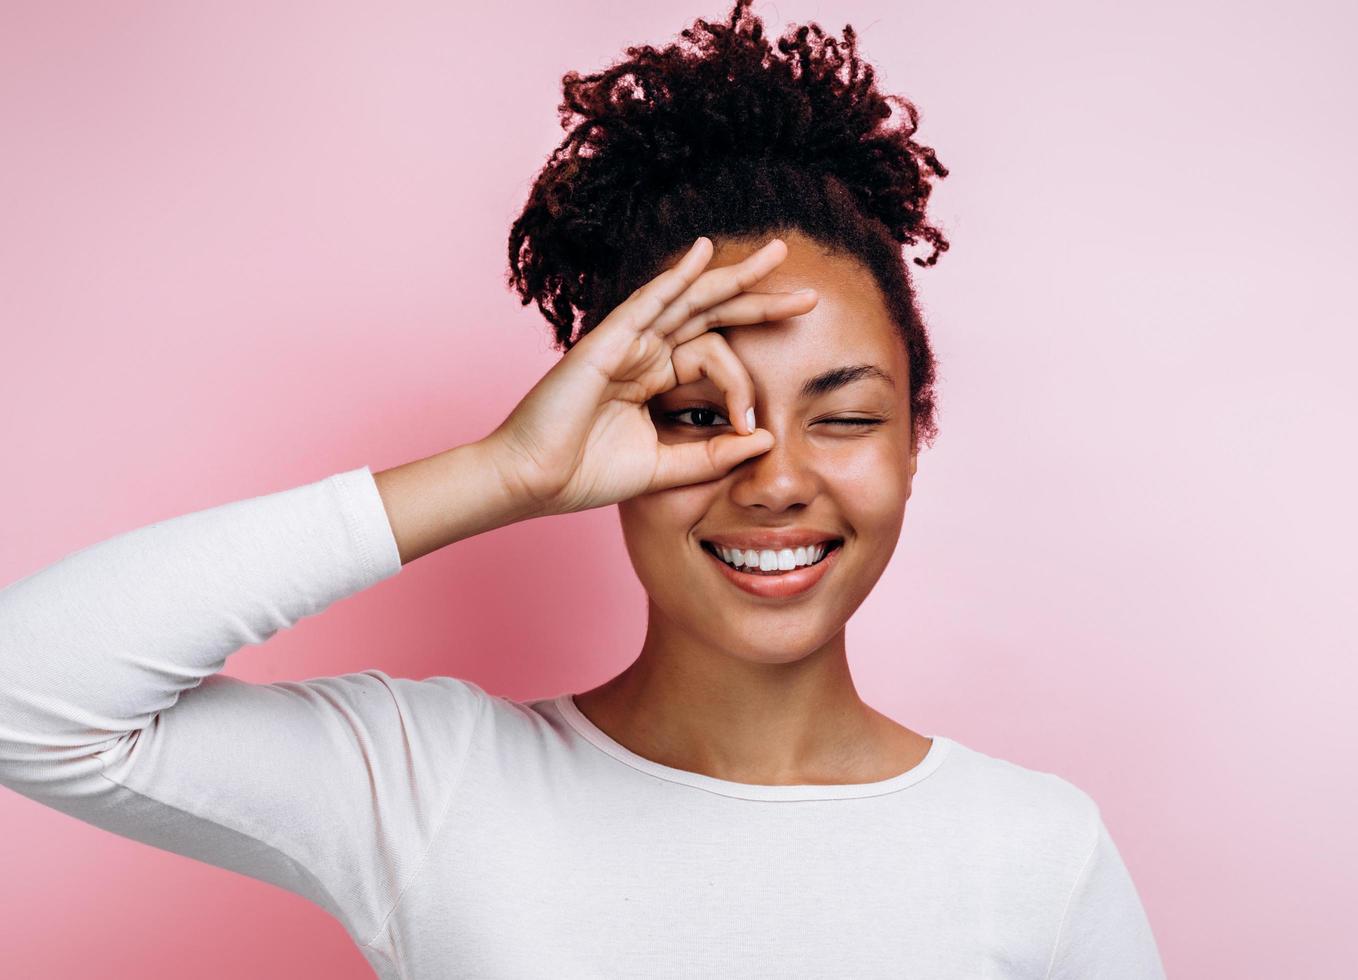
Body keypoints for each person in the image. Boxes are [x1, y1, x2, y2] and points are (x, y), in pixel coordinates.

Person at [0, 1, 1165, 977]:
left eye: (844, 415)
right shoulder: (433, 784)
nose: (774, 477)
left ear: (915, 436)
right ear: (613, 433)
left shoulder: (1034, 849)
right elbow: (26, 693)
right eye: (698, 416)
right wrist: (500, 472)